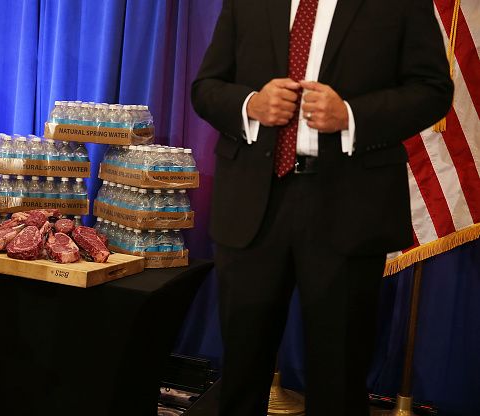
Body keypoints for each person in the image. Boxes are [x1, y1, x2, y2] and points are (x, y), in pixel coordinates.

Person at [191, 0, 453, 415]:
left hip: (349, 207)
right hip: (252, 206)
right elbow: (206, 87)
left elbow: (433, 90)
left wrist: (351, 115)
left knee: (339, 376)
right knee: (241, 370)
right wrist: (250, 105)